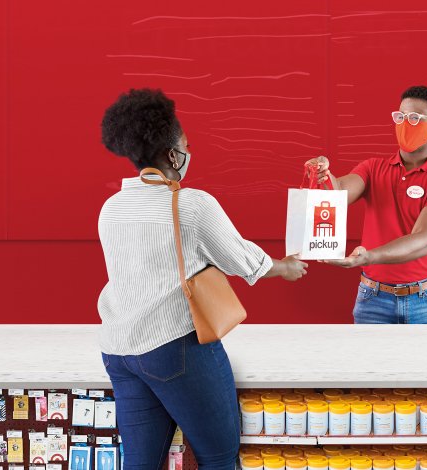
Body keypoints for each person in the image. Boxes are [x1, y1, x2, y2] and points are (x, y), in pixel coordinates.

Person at [97, 88, 307, 469]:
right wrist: (285, 267)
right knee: (219, 459)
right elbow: (242, 260)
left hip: (118, 351)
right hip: (174, 347)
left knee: (139, 465)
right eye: (185, 145)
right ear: (173, 154)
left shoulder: (111, 207)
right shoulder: (191, 204)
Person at [307, 85, 427, 324]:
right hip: (373, 299)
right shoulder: (373, 169)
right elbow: (338, 194)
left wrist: (368, 257)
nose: (405, 123)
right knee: (369, 363)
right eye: (400, 117)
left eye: (414, 118)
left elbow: (423, 240)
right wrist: (324, 175)